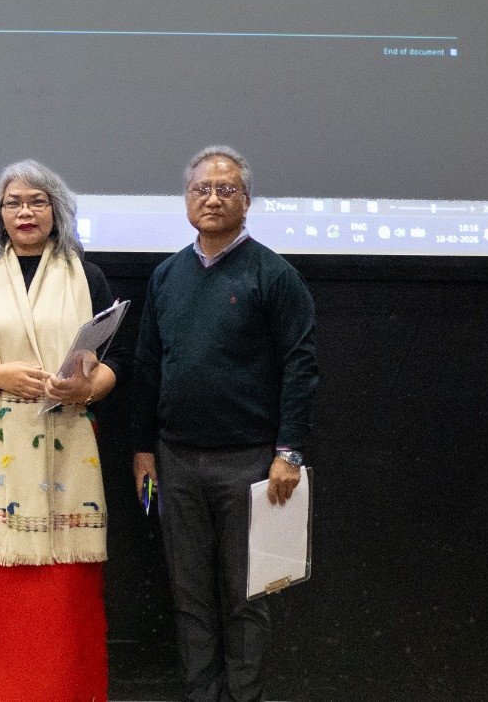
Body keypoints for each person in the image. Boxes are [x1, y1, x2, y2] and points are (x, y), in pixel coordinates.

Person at [0, 160, 129, 702]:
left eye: (37, 201)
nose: (25, 212)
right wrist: (1, 375)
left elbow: (120, 360)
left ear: (56, 210)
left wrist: (86, 389)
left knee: (66, 590)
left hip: (68, 444)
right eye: (13, 202)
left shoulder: (87, 276)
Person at [130, 146, 319, 702]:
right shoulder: (166, 276)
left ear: (247, 200)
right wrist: (143, 450)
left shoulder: (273, 274)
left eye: (226, 190)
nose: (212, 199)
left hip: (252, 465)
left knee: (248, 598)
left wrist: (289, 452)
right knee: (189, 599)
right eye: (201, 190)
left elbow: (301, 364)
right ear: (186, 200)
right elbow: (147, 366)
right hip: (175, 463)